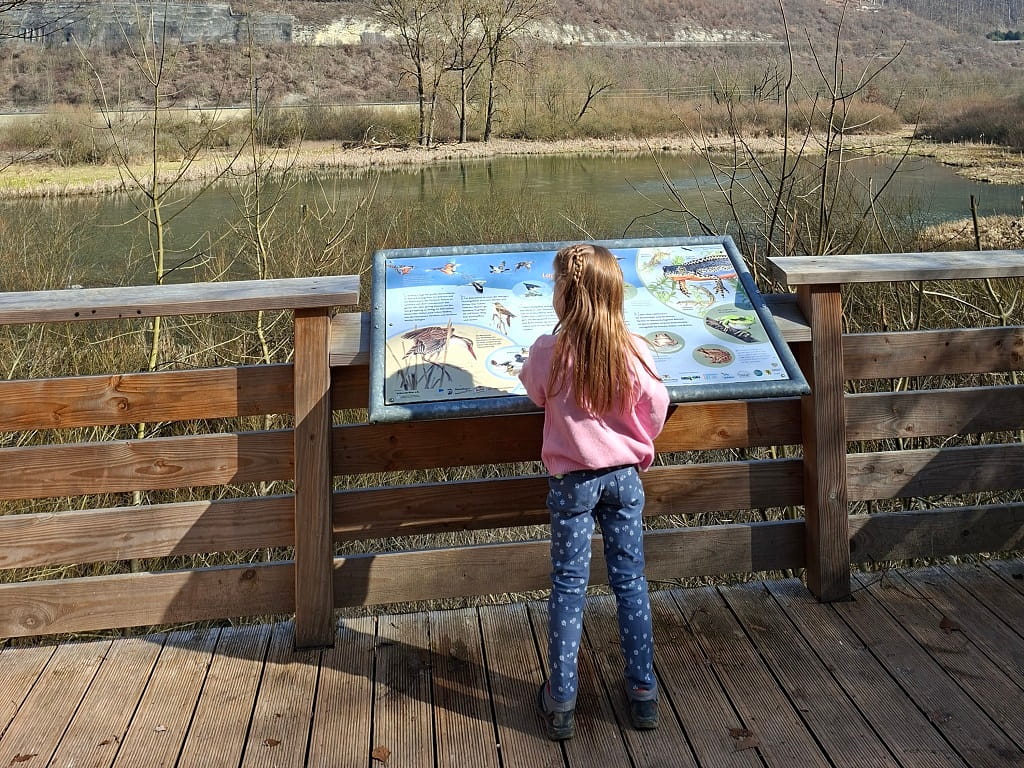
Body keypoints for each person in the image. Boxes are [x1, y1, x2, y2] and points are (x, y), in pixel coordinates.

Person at [518, 243, 670, 741]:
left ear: (566, 295)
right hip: (624, 479)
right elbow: (656, 404)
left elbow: (533, 390)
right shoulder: (633, 349)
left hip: (572, 485)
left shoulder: (549, 351)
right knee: (630, 582)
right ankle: (643, 692)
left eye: (555, 284)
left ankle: (561, 697)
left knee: (568, 586)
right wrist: (637, 440)